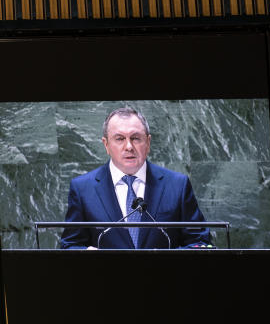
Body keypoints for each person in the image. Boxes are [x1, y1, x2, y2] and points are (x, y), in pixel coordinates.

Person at [58, 107, 211, 250]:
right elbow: (70, 245)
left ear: (148, 142)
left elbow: (200, 242)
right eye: (119, 139)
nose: (129, 146)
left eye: (136, 138)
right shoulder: (83, 189)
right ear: (106, 145)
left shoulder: (177, 185)